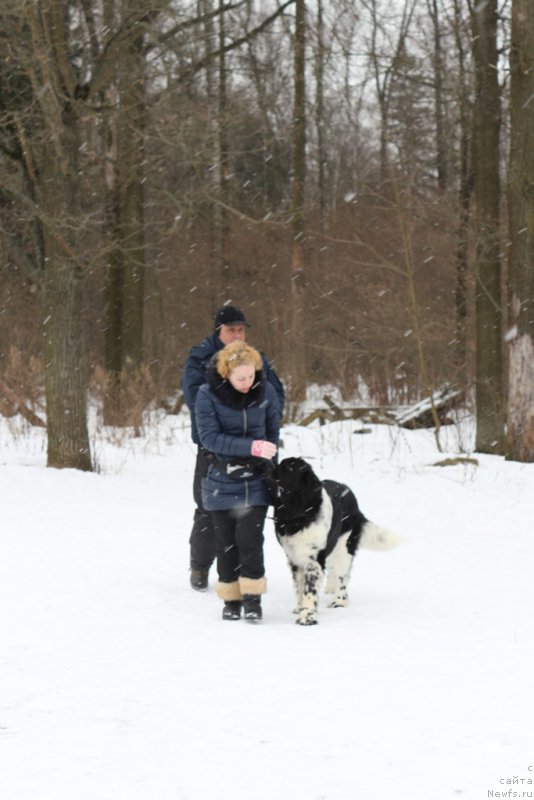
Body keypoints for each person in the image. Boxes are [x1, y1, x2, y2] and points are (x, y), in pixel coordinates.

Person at [181, 305, 284, 591]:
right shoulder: (201, 358)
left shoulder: (254, 358)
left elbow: (275, 393)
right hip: (214, 450)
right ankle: (200, 566)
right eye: (231, 330)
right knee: (208, 509)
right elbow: (197, 401)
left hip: (258, 449)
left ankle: (246, 578)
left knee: (253, 515)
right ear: (219, 331)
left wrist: (263, 419)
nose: (237, 335)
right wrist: (232, 421)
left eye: (241, 330)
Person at [195, 341, 280, 620]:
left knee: (250, 539)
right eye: (240, 378)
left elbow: (272, 432)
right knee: (226, 542)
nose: (247, 383)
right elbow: (209, 438)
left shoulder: (266, 391)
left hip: (256, 479)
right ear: (226, 374)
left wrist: (272, 469)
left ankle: (253, 599)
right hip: (220, 480)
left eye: (251, 376)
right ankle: (231, 600)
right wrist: (251, 447)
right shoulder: (207, 394)